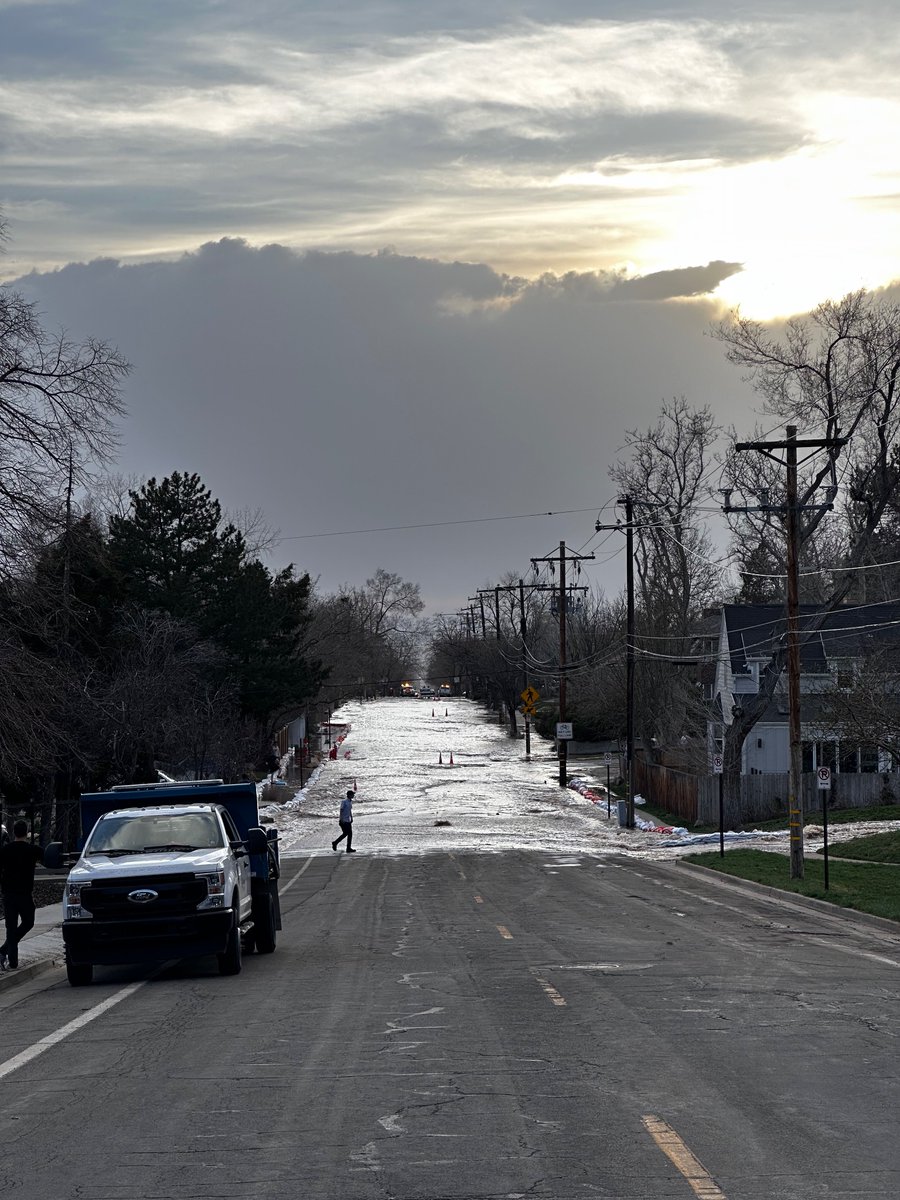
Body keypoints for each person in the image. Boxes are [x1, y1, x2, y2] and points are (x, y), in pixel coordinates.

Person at [0, 820, 43, 970]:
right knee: (28, 922)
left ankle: (9, 957)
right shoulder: (32, 850)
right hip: (24, 894)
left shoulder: (5, 850)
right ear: (26, 832)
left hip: (8, 894)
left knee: (10, 927)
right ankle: (7, 954)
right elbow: (46, 856)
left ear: (14, 833)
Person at [331, 789, 357, 853]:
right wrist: (341, 819)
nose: (353, 795)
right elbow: (341, 810)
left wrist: (351, 817)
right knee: (347, 833)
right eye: (352, 794)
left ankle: (338, 843)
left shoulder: (350, 802)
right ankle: (339, 844)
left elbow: (349, 810)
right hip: (344, 820)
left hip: (348, 820)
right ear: (349, 795)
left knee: (347, 834)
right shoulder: (344, 802)